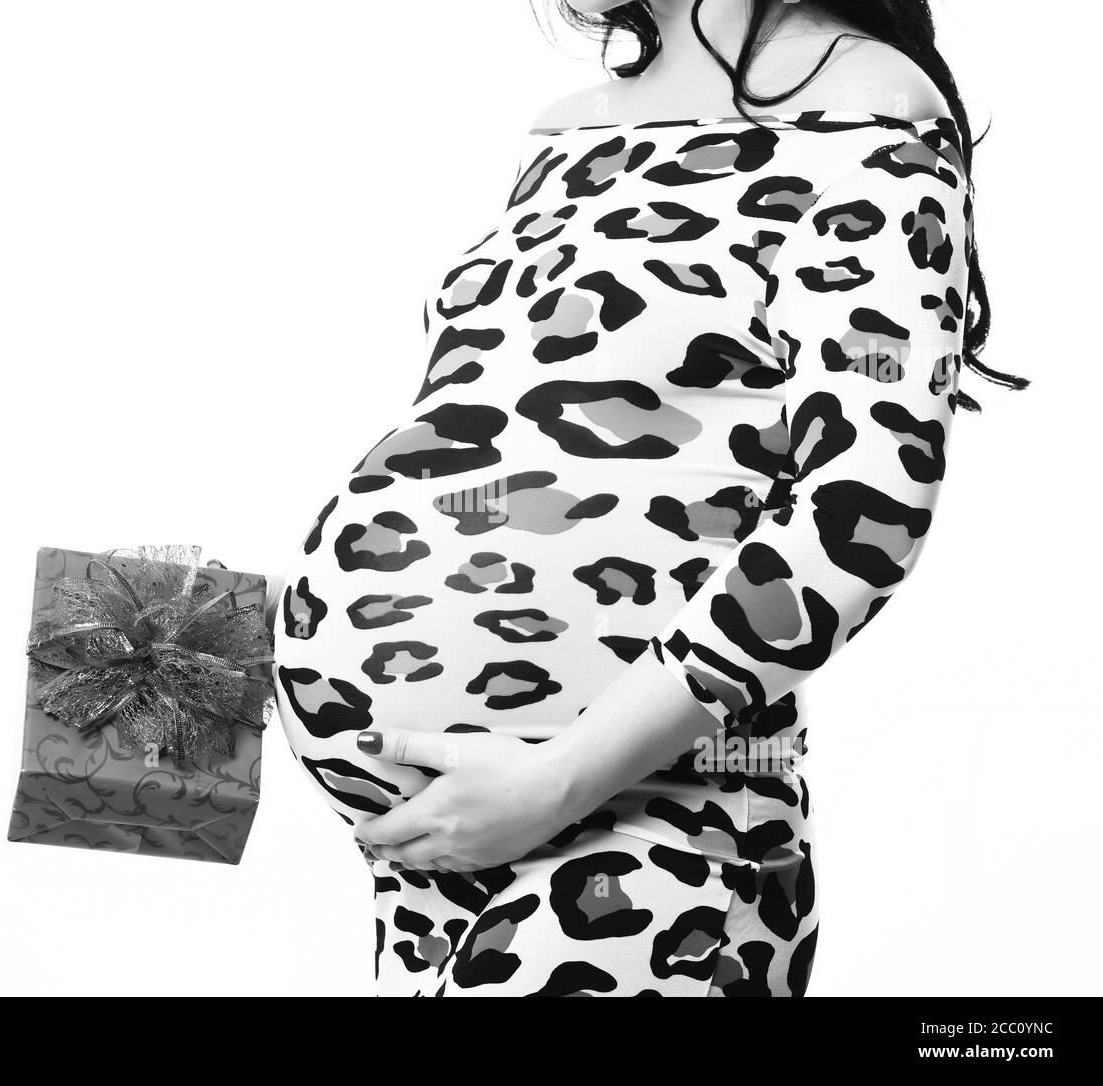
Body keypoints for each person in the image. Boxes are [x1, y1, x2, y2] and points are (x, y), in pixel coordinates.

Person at [273, 0, 1025, 996]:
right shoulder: (568, 131)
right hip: (432, 857)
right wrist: (317, 587)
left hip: (657, 832)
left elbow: (861, 513)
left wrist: (561, 778)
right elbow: (512, 454)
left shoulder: (866, 116)